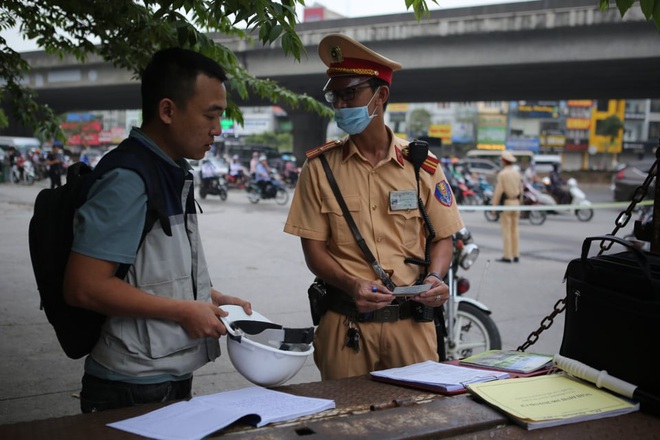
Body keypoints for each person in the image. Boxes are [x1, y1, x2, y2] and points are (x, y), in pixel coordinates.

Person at [63, 47, 252, 413]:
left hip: (162, 377)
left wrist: (206, 297)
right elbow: (84, 286)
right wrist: (183, 311)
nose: (218, 129)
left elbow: (146, 271)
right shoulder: (128, 179)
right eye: (210, 116)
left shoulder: (168, 169)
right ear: (167, 110)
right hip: (130, 385)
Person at [284, 34, 464, 380]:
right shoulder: (320, 168)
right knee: (344, 427)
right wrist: (352, 284)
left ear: (380, 95)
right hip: (346, 328)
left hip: (412, 328)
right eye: (335, 95)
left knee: (417, 424)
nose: (340, 103)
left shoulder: (420, 166)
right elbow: (314, 252)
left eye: (350, 93)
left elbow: (444, 237)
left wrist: (435, 278)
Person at [492, 150, 523, 263]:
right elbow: (521, 189)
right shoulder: (517, 173)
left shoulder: (502, 174)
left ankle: (507, 256)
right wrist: (521, 202)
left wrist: (494, 207)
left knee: (507, 231)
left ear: (504, 161)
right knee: (515, 230)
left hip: (507, 204)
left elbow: (498, 191)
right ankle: (516, 254)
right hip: (516, 203)